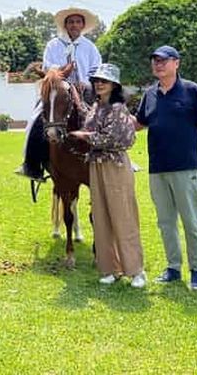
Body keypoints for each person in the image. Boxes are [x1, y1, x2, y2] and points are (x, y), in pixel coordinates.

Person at [135, 45, 197, 291]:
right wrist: (110, 111)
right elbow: (138, 124)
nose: (158, 64)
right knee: (165, 221)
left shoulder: (192, 91)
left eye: (163, 60)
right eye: (155, 61)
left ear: (176, 63)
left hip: (186, 167)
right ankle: (173, 267)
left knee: (192, 221)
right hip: (157, 169)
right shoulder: (149, 94)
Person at [70, 63, 146, 288]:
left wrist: (85, 136)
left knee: (123, 216)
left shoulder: (118, 108)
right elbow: (91, 126)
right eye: (96, 80)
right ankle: (110, 268)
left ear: (114, 85)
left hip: (115, 165)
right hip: (96, 165)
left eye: (104, 81)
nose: (99, 84)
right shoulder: (95, 106)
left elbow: (113, 139)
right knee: (101, 217)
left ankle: (136, 271)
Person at [17, 7, 102, 181]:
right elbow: (48, 68)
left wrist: (84, 82)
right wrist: (64, 71)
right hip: (57, 90)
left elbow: (96, 70)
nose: (74, 25)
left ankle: (119, 161)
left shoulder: (90, 47)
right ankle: (31, 165)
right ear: (65, 25)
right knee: (35, 120)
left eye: (78, 22)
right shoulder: (53, 45)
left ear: (83, 25)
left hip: (85, 90)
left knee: (106, 117)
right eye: (71, 22)